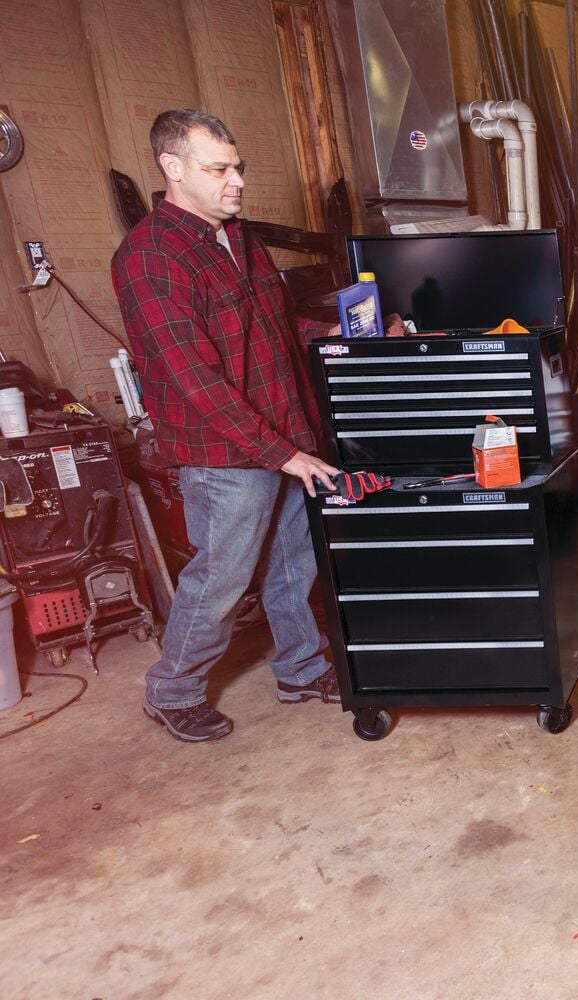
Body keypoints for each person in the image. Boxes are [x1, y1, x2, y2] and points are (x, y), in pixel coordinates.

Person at [111, 108, 342, 742]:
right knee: (222, 577)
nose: (236, 180)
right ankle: (173, 690)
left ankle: (300, 668)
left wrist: (346, 334)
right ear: (173, 169)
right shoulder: (149, 257)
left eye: (237, 166)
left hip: (285, 434)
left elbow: (272, 331)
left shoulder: (238, 239)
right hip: (224, 453)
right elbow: (194, 376)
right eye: (219, 169)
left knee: (293, 564)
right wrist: (281, 454)